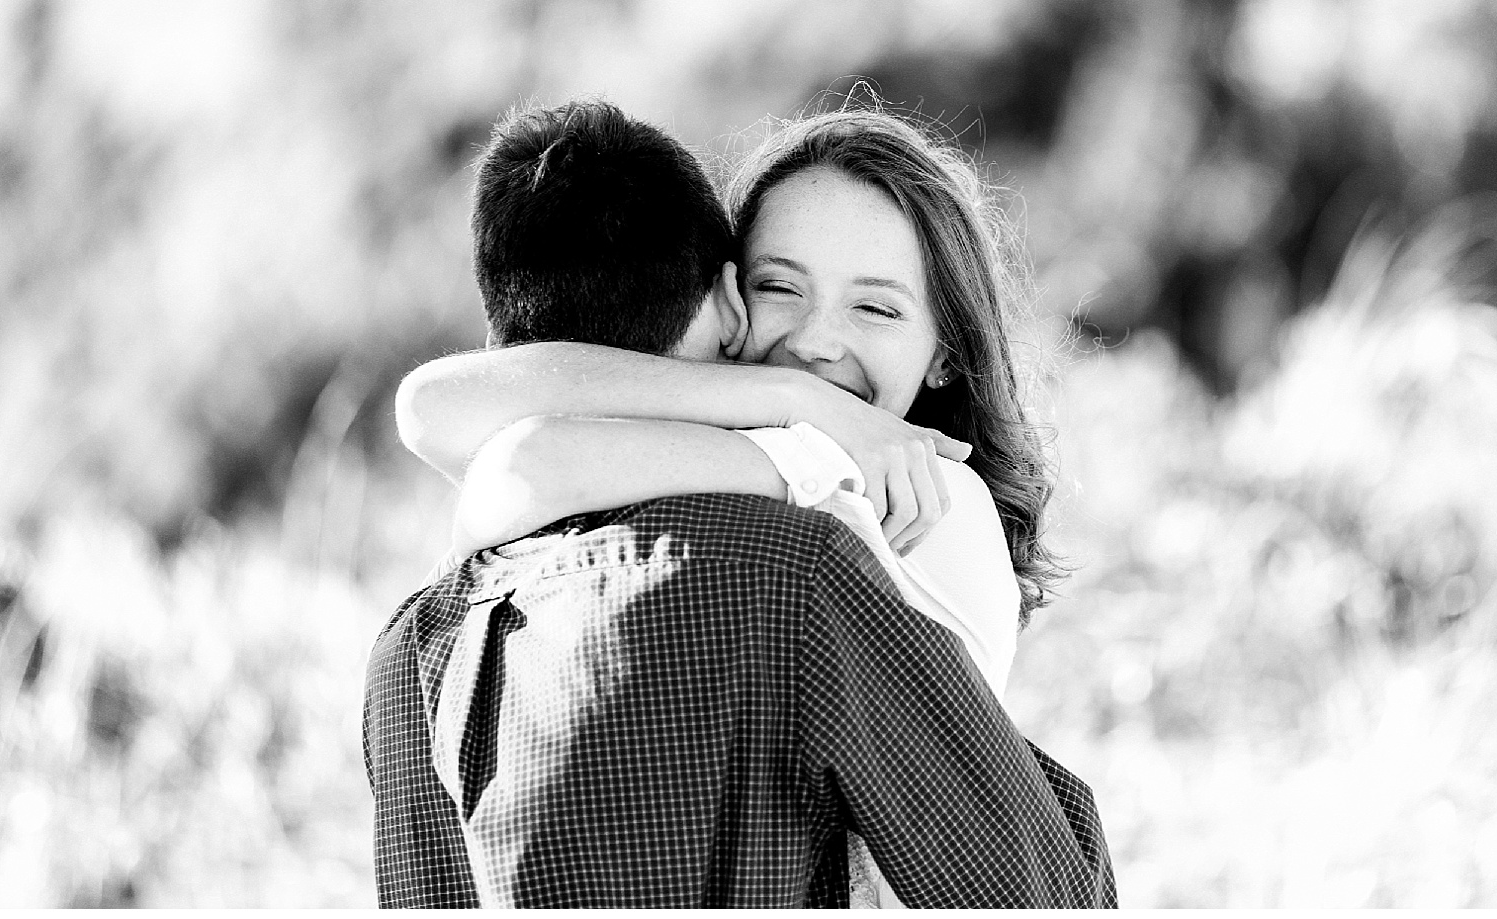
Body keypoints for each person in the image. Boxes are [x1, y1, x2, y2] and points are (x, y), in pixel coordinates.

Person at [362, 98, 1114, 908]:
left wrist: (788, 403)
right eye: (778, 287)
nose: (815, 342)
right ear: (729, 295)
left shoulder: (920, 487)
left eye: (876, 306)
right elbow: (430, 407)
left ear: (943, 356)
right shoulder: (755, 465)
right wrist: (790, 397)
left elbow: (519, 462)